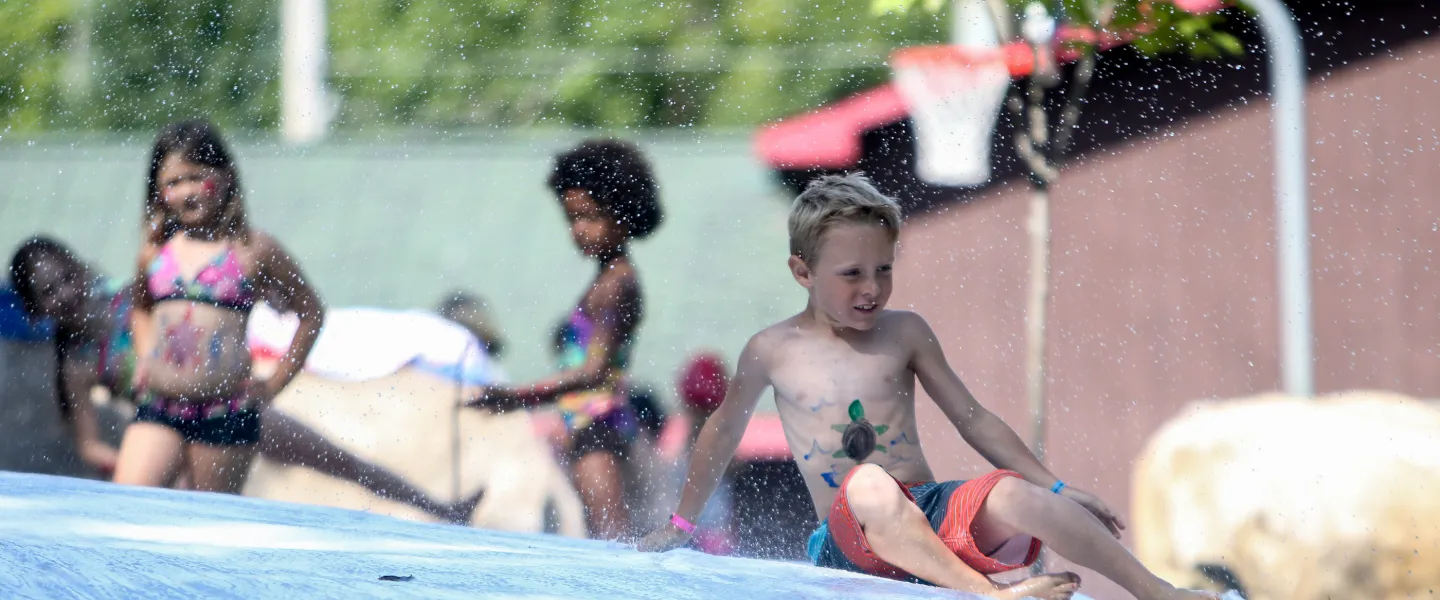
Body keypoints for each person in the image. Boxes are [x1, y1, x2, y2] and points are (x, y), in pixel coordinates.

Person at [638, 174, 1219, 600]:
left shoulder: (905, 331)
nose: (872, 288)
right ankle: (990, 596)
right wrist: (682, 524)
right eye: (851, 275)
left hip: (929, 517)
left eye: (884, 269)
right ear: (802, 272)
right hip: (850, 539)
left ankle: (1157, 592)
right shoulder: (772, 349)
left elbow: (973, 419)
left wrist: (1058, 484)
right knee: (868, 483)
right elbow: (721, 432)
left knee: (1017, 493)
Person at [8, 236, 484, 523]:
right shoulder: (74, 362)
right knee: (185, 515)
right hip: (167, 436)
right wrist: (127, 465)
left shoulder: (135, 292)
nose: (64, 295)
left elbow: (206, 290)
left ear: (79, 269)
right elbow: (88, 442)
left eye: (65, 278)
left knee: (338, 459)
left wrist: (267, 291)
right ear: (34, 311)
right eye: (48, 293)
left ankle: (443, 510)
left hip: (229, 406)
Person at [467, 139, 662, 541]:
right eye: (572, 218)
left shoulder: (616, 284)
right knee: (602, 532)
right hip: (590, 423)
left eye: (591, 217)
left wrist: (516, 397)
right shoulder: (609, 278)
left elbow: (593, 372)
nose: (579, 230)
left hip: (597, 424)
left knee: (612, 538)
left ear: (623, 215)